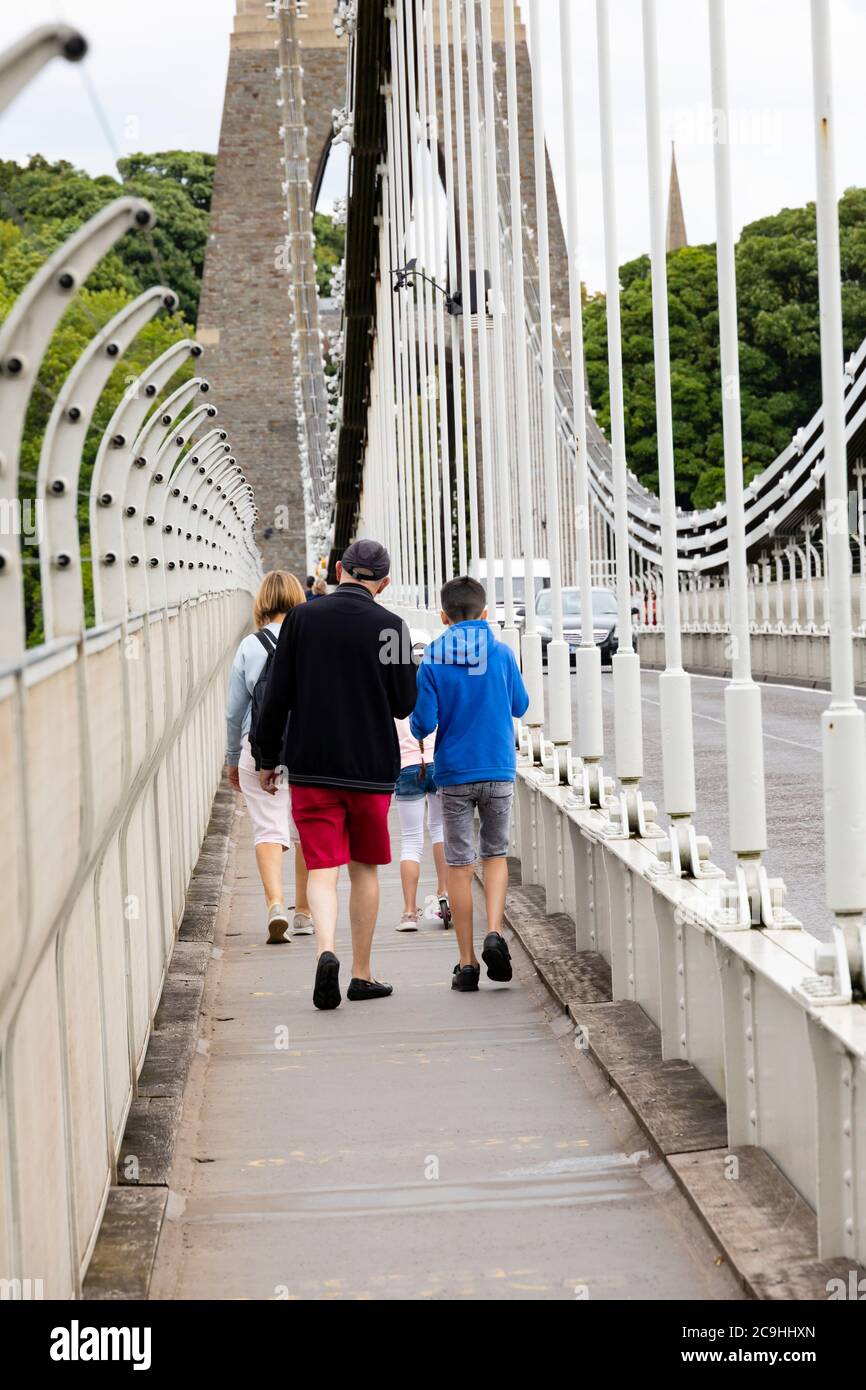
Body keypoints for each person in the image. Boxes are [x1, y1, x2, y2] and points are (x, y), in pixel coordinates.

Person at [257, 539, 418, 1010]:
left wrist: (267, 757)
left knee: (322, 869)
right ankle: (362, 974)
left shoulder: (303, 619)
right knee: (364, 868)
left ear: (339, 570)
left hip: (312, 766)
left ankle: (325, 951)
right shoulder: (392, 627)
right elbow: (404, 704)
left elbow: (277, 695)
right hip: (370, 769)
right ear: (384, 583)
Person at [410, 575, 529, 992]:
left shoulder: (434, 660)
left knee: (460, 867)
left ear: (443, 617)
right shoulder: (501, 652)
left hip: (455, 774)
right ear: (485, 614)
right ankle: (494, 931)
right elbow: (521, 705)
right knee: (495, 855)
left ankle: (467, 964)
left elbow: (422, 722)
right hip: (498, 769)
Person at [225, 570, 313, 943]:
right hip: (307, 746)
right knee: (307, 827)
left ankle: (275, 904)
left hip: (259, 748)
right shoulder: (312, 640)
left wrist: (233, 757)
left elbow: (233, 711)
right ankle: (305, 912)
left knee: (268, 828)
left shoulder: (249, 646)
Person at [393, 717, 448, 930]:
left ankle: (408, 912)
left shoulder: (395, 689)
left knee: (410, 839)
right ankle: (443, 893)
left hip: (406, 766)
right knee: (439, 828)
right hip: (438, 762)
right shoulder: (434, 684)